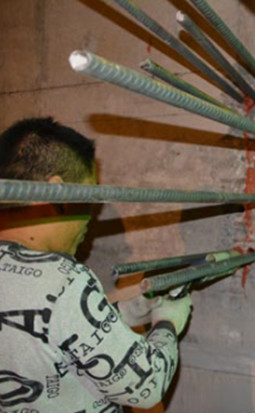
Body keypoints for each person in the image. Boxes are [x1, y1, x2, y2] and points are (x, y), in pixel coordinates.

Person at [0, 117, 191, 412]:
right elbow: (146, 386)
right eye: (89, 198)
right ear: (57, 193)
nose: (91, 218)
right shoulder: (63, 279)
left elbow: (44, 330)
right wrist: (167, 323)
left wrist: (122, 314)